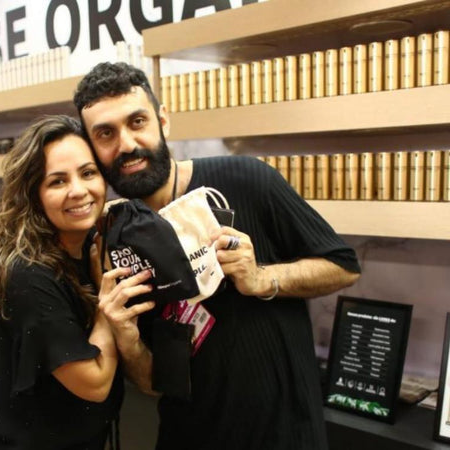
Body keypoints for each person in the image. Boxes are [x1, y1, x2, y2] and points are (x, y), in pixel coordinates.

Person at [73, 62, 362, 450]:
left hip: (284, 434)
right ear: (92, 148)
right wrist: (125, 337)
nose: (126, 144)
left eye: (137, 121)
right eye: (105, 133)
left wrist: (262, 278)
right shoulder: (113, 240)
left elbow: (343, 266)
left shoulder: (247, 179)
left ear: (162, 121)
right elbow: (153, 383)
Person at [0, 115, 154, 450]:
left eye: (88, 173)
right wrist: (107, 299)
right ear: (33, 194)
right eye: (58, 181)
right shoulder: (28, 275)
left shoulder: (87, 249)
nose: (79, 191)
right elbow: (94, 384)